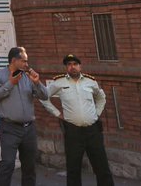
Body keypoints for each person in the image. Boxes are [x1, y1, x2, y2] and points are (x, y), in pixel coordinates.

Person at [39, 54, 113, 186]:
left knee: (102, 167)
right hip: (73, 132)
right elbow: (43, 96)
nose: (72, 67)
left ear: (80, 66)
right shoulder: (59, 82)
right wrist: (57, 113)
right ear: (66, 67)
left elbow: (101, 97)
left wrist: (96, 113)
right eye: (68, 64)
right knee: (73, 169)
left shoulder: (91, 82)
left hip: (93, 131)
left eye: (74, 64)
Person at [0, 46, 48, 186]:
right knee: (8, 164)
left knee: (29, 166)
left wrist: (37, 82)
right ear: (14, 60)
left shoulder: (28, 76)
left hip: (29, 129)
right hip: (9, 128)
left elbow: (45, 95)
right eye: (24, 61)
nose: (27, 64)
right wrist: (11, 83)